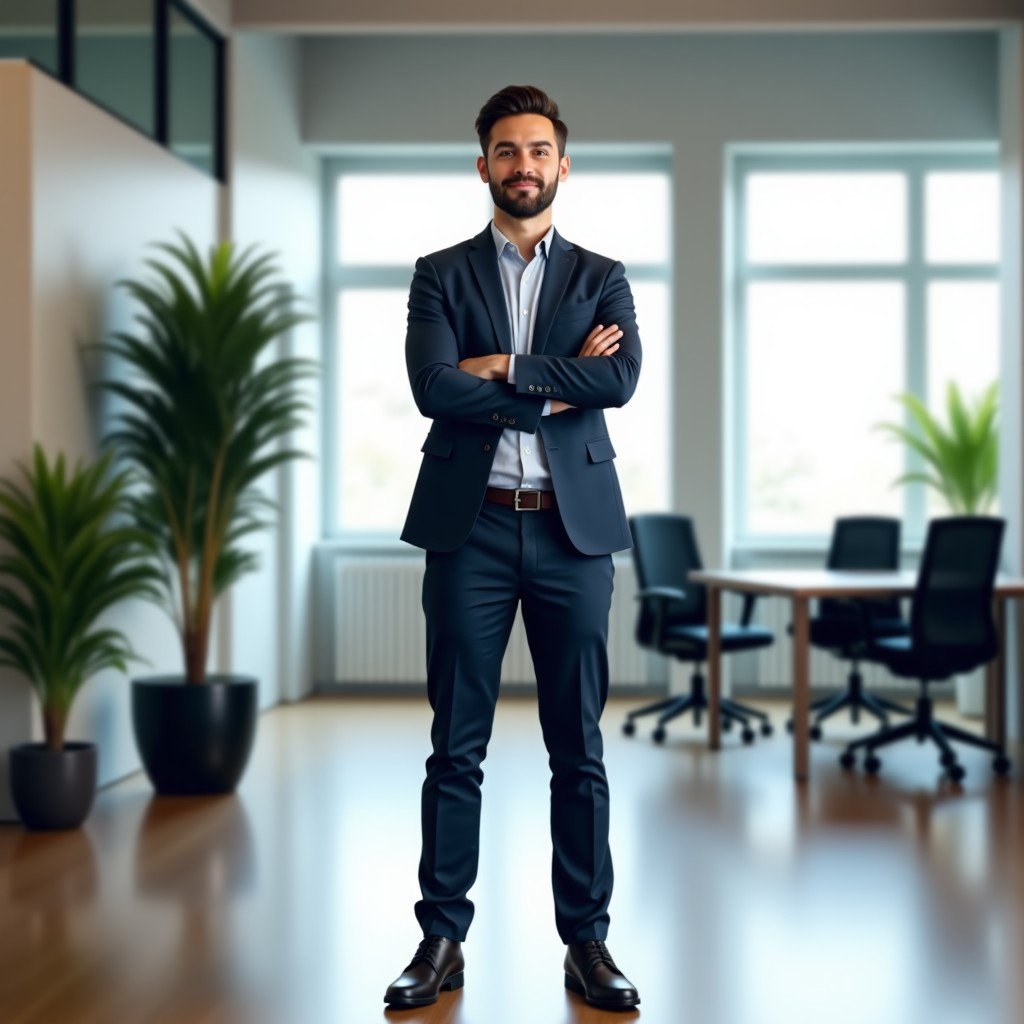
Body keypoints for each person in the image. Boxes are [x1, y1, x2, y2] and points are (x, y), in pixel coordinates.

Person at [383, 84, 642, 1013]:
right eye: (506, 151)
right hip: (474, 526)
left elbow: (621, 377)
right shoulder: (439, 272)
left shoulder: (603, 275)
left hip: (574, 536)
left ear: (562, 164)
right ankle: (441, 940)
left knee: (578, 749)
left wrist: (502, 368)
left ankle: (589, 946)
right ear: (483, 164)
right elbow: (431, 387)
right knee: (456, 747)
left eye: (538, 151)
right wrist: (552, 384)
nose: (522, 165)